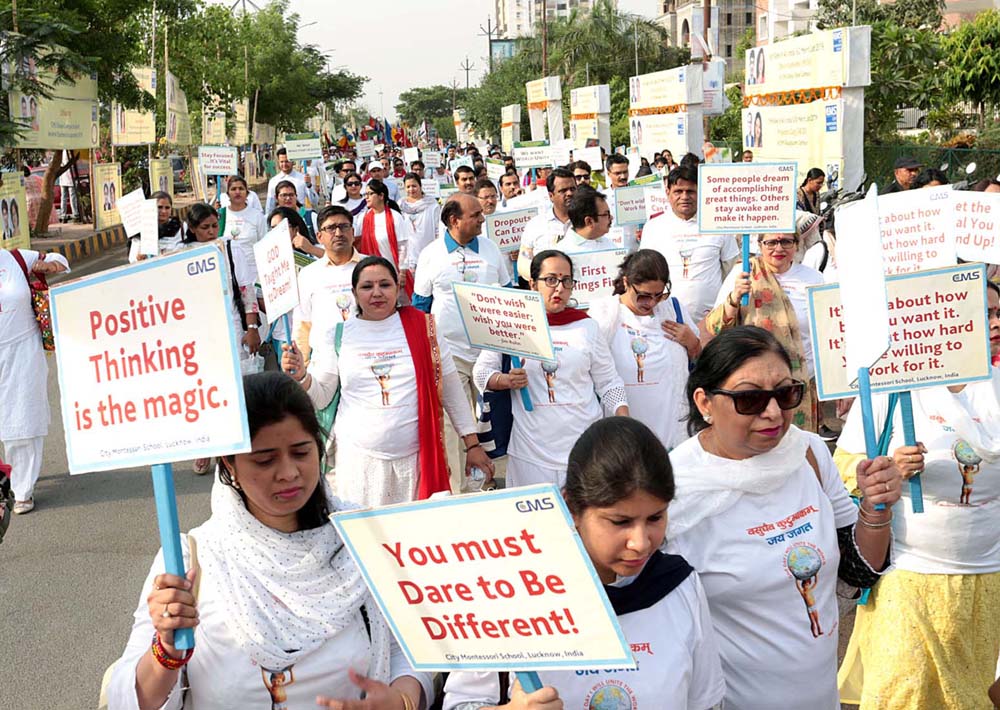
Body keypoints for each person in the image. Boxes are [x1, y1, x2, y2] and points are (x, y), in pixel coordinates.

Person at [105, 372, 432, 709]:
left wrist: (402, 701)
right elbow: (127, 702)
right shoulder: (190, 562)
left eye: (301, 453)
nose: (288, 472)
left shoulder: (362, 538)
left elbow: (407, 650)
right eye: (265, 460)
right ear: (229, 464)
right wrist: (166, 652)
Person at [667, 326, 900, 710]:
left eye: (786, 393)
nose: (773, 412)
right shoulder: (673, 491)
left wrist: (877, 508)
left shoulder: (808, 453)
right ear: (705, 403)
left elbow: (859, 571)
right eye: (750, 399)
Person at [443, 417, 725, 709]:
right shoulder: (510, 593)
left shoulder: (679, 586)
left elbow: (705, 701)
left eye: (655, 518)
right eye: (620, 521)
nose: (640, 542)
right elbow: (461, 703)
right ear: (571, 508)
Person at [833, 281, 1000, 710]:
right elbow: (843, 473)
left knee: (972, 696)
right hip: (910, 575)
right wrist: (888, 466)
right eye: (981, 314)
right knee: (900, 694)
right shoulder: (895, 388)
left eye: (997, 314)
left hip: (987, 578)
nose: (992, 324)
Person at [282, 256, 494, 506]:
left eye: (385, 284)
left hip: (416, 460)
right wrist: (302, 377)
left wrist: (472, 445)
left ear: (398, 287)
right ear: (354, 293)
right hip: (359, 462)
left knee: (416, 536)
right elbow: (322, 396)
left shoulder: (425, 329)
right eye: (366, 286)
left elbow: (452, 391)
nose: (376, 293)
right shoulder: (338, 335)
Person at [473, 250, 628, 488]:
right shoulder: (512, 324)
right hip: (531, 453)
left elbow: (608, 381)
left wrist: (623, 420)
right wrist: (505, 381)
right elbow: (481, 373)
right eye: (551, 280)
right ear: (533, 284)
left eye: (567, 281)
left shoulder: (586, 326)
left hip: (584, 448)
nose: (559, 288)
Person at [413, 194, 512, 493]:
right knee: (455, 423)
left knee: (491, 419)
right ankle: (459, 489)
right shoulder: (430, 255)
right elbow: (421, 305)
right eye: (476, 214)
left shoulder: (493, 250)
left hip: (489, 352)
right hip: (449, 353)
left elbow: (508, 294)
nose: (483, 219)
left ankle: (490, 482)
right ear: (455, 221)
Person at [704, 231, 825, 432]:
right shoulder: (742, 274)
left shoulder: (813, 278)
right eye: (771, 242)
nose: (779, 249)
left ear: (796, 245)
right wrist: (734, 298)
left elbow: (826, 330)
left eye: (786, 242)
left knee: (798, 449)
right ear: (760, 245)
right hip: (753, 385)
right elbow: (715, 327)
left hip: (800, 383)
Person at [589, 251, 699, 451]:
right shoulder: (604, 316)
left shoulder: (673, 309)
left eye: (659, 295)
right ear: (626, 282)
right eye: (643, 296)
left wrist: (693, 344)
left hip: (673, 433)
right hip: (626, 431)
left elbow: (699, 359)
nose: (651, 303)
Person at [0, 247, 69, 514]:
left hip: (22, 348)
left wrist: (49, 266)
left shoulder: (16, 258)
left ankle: (22, 488)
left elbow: (59, 260)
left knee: (22, 417)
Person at [639, 166, 740, 324]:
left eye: (690, 191)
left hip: (713, 320)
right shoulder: (653, 227)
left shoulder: (718, 224)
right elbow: (645, 272)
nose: (684, 197)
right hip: (667, 320)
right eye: (678, 191)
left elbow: (731, 270)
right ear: (667, 192)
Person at [293, 205, 364, 364]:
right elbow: (302, 323)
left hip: (365, 358)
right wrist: (302, 365)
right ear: (319, 237)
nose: (338, 233)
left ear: (353, 233)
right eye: (331, 228)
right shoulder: (308, 274)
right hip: (325, 362)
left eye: (344, 227)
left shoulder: (371, 267)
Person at [516, 168, 576, 283]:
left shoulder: (588, 221)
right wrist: (545, 279)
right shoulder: (535, 225)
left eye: (573, 189)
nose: (569, 193)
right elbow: (523, 262)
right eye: (563, 190)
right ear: (551, 195)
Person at [355, 179, 410, 292]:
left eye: (370, 194)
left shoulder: (395, 217)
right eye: (365, 194)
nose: (366, 197)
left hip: (393, 270)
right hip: (371, 272)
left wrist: (402, 272)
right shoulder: (363, 218)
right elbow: (357, 242)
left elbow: (403, 247)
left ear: (381, 196)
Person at [539, 184, 617, 254]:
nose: (611, 218)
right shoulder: (563, 254)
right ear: (589, 221)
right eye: (606, 214)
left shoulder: (610, 245)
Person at [128, 192, 185, 262]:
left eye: (167, 208)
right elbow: (133, 261)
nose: (164, 211)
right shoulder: (141, 233)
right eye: (159, 207)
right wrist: (139, 258)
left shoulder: (181, 228)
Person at [399, 172, 440, 268]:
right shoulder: (400, 206)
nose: (411, 189)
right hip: (408, 255)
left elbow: (438, 230)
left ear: (420, 186)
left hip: (429, 252)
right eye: (408, 187)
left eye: (414, 186)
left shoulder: (432, 205)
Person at [264, 148, 308, 214]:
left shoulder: (302, 178)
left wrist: (309, 185)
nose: (284, 164)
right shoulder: (273, 181)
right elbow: (270, 205)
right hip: (281, 216)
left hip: (300, 215)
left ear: (292, 161)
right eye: (282, 162)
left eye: (287, 161)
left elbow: (314, 201)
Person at [58, 151, 80, 223]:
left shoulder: (61, 152)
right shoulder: (68, 151)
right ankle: (75, 213)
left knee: (64, 198)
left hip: (63, 178)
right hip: (69, 177)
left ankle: (63, 214)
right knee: (72, 197)